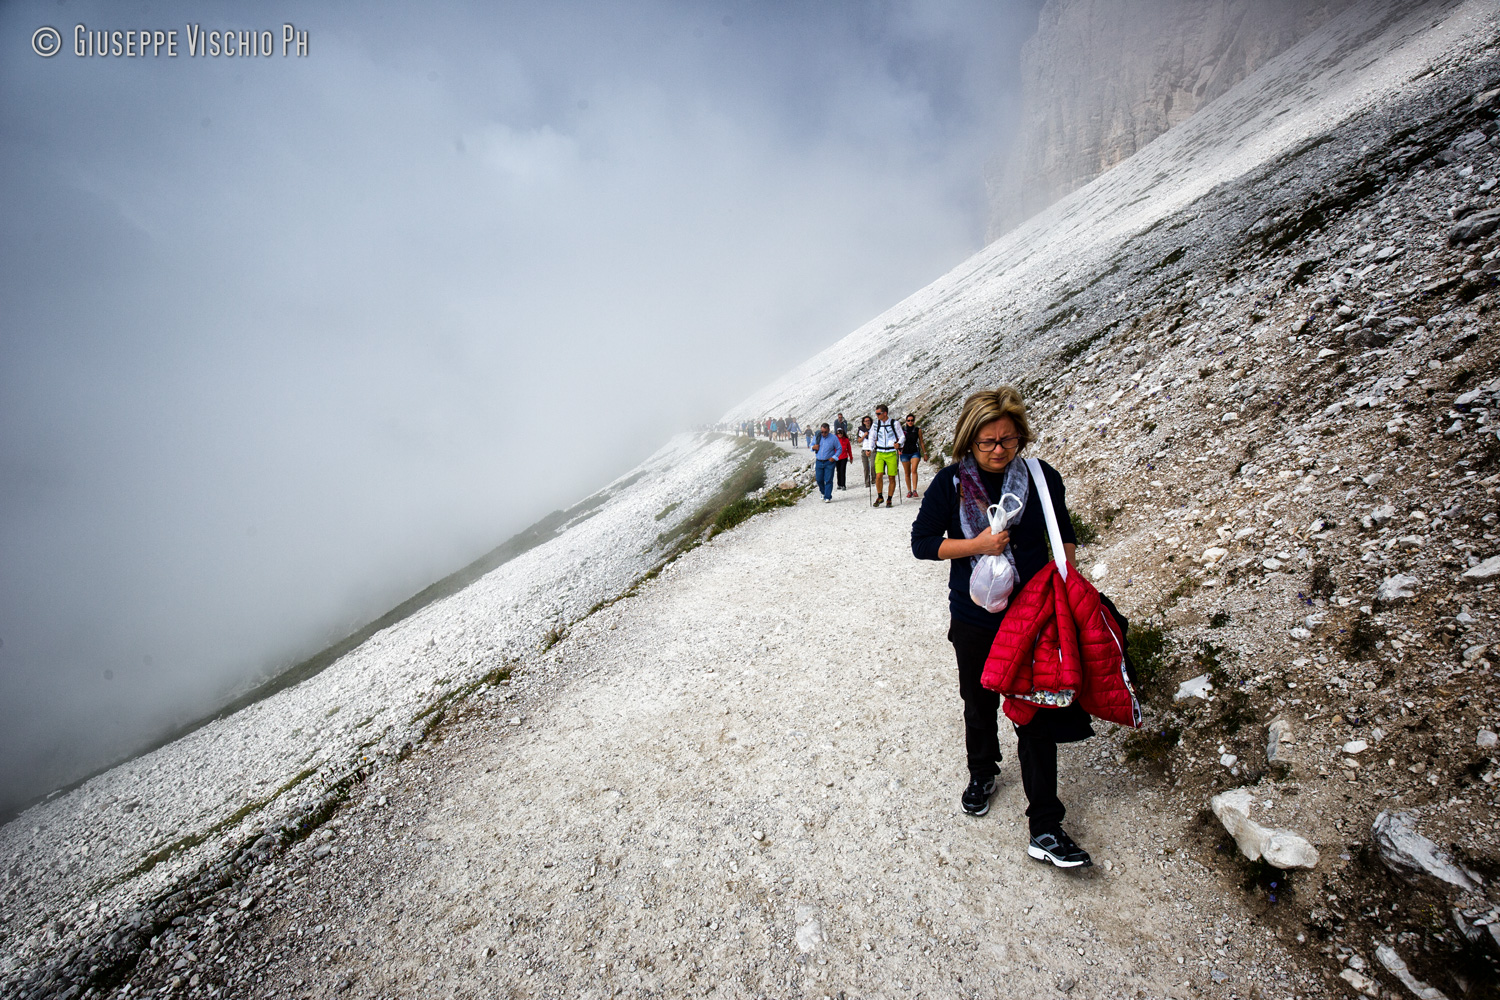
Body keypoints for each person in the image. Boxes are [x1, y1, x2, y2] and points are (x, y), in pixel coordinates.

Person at [909, 386, 1093, 868]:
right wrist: (979, 546)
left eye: (1007, 441)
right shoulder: (950, 484)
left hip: (1032, 617)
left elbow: (1063, 536)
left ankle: (1046, 825)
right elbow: (923, 543)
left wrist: (1069, 589)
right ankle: (982, 770)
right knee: (978, 698)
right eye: (987, 441)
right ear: (968, 440)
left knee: (1034, 710)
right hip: (973, 616)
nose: (997, 450)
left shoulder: (1041, 478)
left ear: (1020, 438)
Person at [868, 404, 904, 507]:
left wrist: (899, 444)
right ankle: (880, 496)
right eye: (876, 414)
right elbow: (872, 436)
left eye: (878, 414)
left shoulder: (895, 423)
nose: (877, 416)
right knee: (878, 475)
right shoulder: (875, 424)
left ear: (885, 413)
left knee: (891, 477)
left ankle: (889, 499)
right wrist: (870, 448)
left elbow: (901, 436)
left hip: (891, 452)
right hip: (879, 452)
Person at [813, 423, 840, 502]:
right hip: (819, 461)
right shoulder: (817, 436)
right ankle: (823, 492)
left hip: (829, 462)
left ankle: (827, 496)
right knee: (819, 479)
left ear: (829, 430)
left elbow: (839, 448)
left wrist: (834, 457)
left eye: (825, 432)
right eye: (822, 432)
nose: (823, 434)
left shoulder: (833, 438)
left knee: (828, 479)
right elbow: (811, 445)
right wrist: (813, 447)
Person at [900, 412, 923, 499]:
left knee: (914, 470)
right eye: (908, 420)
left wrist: (924, 453)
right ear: (906, 421)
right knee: (907, 472)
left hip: (915, 452)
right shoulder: (902, 431)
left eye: (912, 420)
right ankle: (909, 490)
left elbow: (921, 441)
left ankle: (914, 490)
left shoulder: (918, 430)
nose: (910, 422)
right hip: (904, 452)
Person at [857, 415, 874, 488]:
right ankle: (867, 482)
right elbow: (859, 440)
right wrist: (864, 435)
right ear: (863, 422)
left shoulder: (874, 429)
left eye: (868, 421)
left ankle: (874, 479)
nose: (867, 422)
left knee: (873, 465)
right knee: (866, 467)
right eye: (866, 421)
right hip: (864, 449)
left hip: (872, 449)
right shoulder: (861, 430)